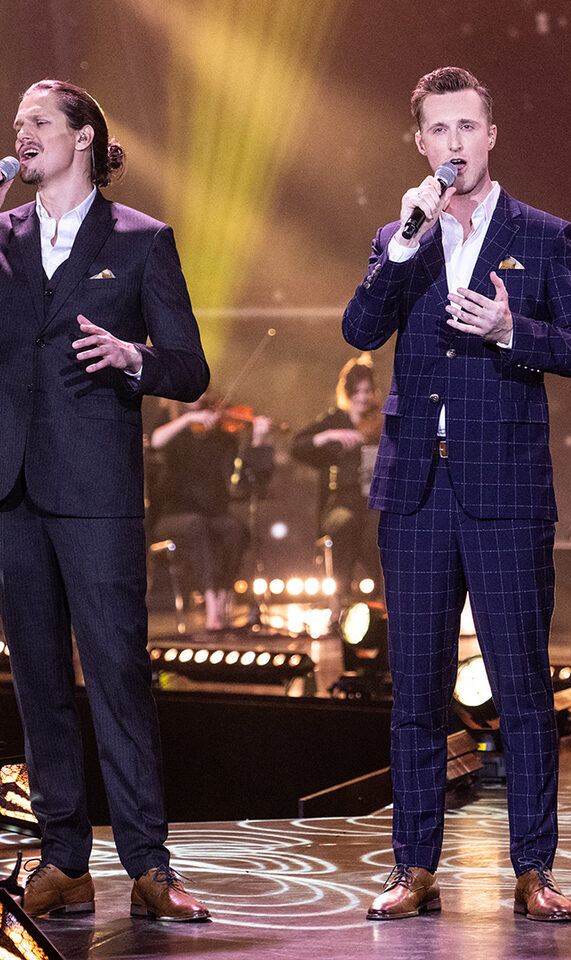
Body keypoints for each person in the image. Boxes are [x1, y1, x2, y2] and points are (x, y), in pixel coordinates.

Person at [342, 67, 571, 923]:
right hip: (415, 491)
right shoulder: (401, 234)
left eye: (467, 126)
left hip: (505, 491)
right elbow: (359, 329)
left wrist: (511, 331)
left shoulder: (544, 236)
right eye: (438, 129)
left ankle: (534, 869)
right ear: (420, 142)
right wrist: (403, 246)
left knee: (523, 690)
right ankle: (413, 867)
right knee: (415, 693)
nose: (454, 143)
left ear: (491, 135)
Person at [0, 79, 210, 920]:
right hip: (12, 490)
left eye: (39, 120)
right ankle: (64, 860)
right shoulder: (2, 235)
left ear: (83, 137)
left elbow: (190, 369)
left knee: (118, 673)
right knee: (37, 679)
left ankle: (149, 865)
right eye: (17, 121)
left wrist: (133, 358)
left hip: (96, 491)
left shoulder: (142, 239)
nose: (22, 131)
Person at [150, 395, 274, 630]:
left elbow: (239, 484)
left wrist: (258, 440)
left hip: (213, 514)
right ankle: (211, 607)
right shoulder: (172, 425)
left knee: (236, 530)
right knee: (196, 525)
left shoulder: (222, 439)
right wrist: (188, 420)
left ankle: (222, 598)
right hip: (172, 515)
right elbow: (155, 440)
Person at [291, 357, 384, 601]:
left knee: (378, 531)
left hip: (373, 503)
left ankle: (380, 598)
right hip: (339, 502)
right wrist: (328, 435)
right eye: (357, 392)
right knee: (345, 524)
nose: (363, 397)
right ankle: (339, 597)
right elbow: (297, 446)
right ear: (348, 393)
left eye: (367, 391)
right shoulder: (334, 420)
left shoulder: (381, 423)